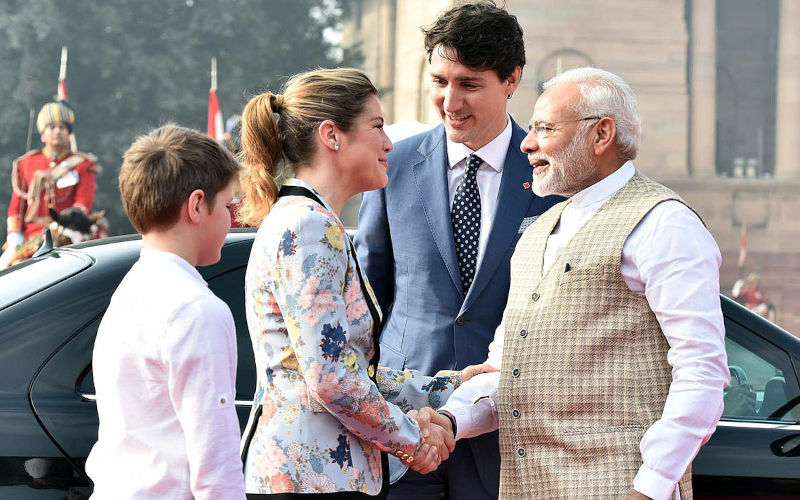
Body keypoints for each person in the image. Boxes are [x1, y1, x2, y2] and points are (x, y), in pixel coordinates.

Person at [425, 67, 730, 500]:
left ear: (602, 133)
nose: (527, 143)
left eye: (545, 128)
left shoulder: (664, 223)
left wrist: (651, 487)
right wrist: (452, 419)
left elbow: (702, 370)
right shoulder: (536, 232)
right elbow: (507, 373)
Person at [354, 3, 561, 498]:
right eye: (440, 81)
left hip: (511, 432)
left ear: (511, 79)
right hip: (406, 434)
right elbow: (365, 303)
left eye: (469, 84)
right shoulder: (392, 167)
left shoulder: (553, 178)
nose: (450, 100)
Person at [237, 68, 467, 499]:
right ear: (332, 136)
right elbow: (331, 379)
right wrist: (413, 442)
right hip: (310, 480)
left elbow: (351, 369)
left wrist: (450, 386)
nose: (388, 143)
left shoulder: (314, 223)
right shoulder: (308, 227)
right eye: (377, 126)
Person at [85, 124, 246, 499]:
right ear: (196, 206)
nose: (231, 218)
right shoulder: (197, 309)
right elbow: (216, 468)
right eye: (227, 204)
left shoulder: (131, 290)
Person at [2, 101, 98, 267]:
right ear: (43, 134)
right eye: (52, 127)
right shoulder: (26, 163)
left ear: (69, 133)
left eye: (62, 127)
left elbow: (83, 203)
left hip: (68, 236)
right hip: (30, 239)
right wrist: (14, 235)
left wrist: (63, 224)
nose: (57, 131)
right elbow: (16, 208)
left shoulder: (82, 164)